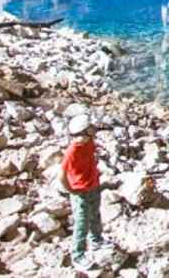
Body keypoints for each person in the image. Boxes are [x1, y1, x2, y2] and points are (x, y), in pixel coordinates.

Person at [60, 113, 105, 270]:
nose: (93, 131)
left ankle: (97, 240)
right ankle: (77, 255)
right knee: (81, 223)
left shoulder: (89, 142)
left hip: (93, 186)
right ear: (83, 133)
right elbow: (61, 175)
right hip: (80, 193)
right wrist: (70, 189)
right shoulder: (71, 152)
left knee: (95, 214)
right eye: (90, 130)